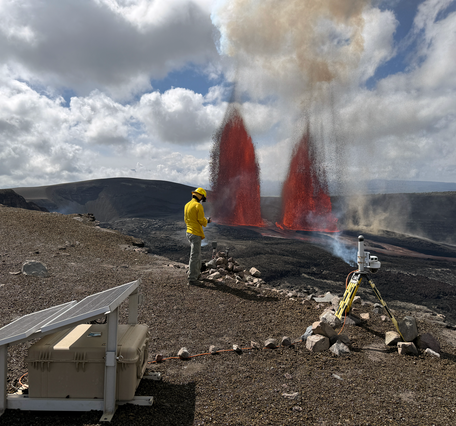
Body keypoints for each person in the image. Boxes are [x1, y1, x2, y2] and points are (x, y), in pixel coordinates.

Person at [184, 187, 211, 285]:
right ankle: (192, 279)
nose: (202, 200)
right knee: (195, 256)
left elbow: (187, 219)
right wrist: (207, 220)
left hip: (188, 232)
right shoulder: (198, 206)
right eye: (202, 198)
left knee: (197, 254)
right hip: (195, 234)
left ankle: (197, 273)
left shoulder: (187, 205)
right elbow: (201, 220)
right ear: (201, 196)